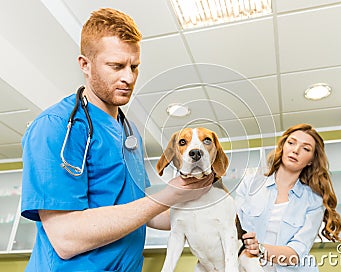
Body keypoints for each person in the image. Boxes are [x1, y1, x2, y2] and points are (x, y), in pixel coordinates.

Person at [20, 8, 214, 272]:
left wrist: (212, 209)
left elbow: (145, 211)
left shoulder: (129, 130)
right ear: (85, 65)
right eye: (117, 66)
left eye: (134, 66)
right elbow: (65, 238)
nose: (129, 77)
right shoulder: (55, 127)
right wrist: (170, 193)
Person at [236, 123, 341, 271]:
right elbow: (233, 228)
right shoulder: (250, 185)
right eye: (291, 143)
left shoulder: (314, 201)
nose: (296, 150)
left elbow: (296, 252)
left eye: (306, 148)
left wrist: (260, 249)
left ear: (311, 160)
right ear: (283, 147)